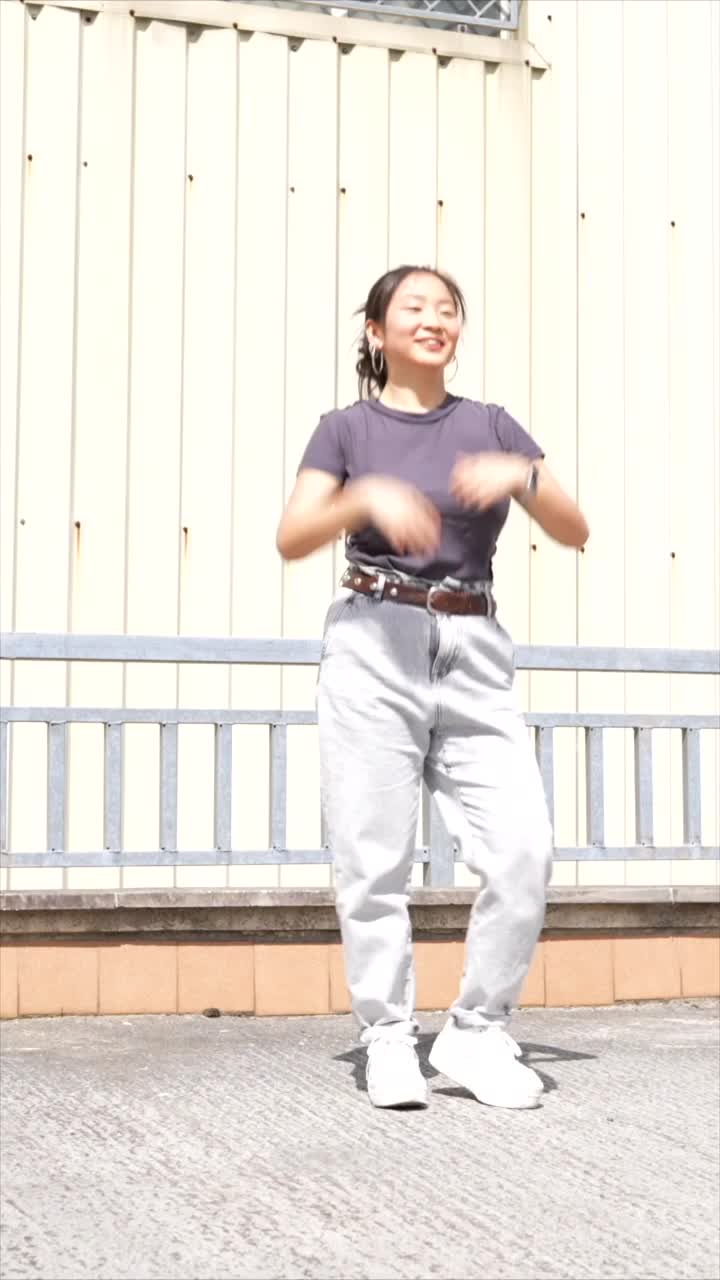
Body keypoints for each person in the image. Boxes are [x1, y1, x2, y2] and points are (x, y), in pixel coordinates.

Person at [276, 265, 589, 1111]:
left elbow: (575, 527)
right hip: (375, 638)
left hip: (475, 645)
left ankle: (477, 1031)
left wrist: (521, 478)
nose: (434, 318)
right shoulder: (344, 429)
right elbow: (293, 534)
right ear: (376, 332)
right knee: (371, 859)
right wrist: (363, 498)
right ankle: (386, 1038)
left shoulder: (489, 424)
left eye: (448, 309)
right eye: (413, 307)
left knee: (523, 849)